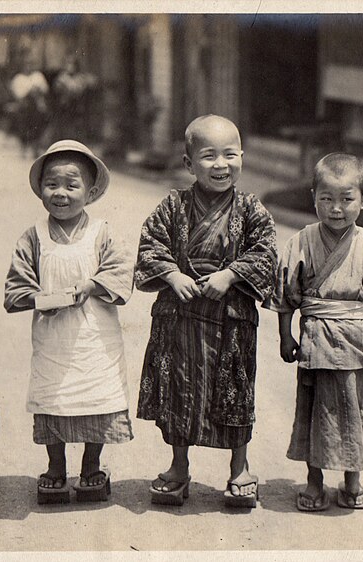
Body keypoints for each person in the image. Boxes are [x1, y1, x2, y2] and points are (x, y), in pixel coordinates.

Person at [265, 153, 363, 512]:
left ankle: (352, 480)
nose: (336, 209)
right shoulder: (302, 241)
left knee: (353, 410)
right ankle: (314, 480)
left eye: (346, 200)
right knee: (313, 410)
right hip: (315, 341)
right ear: (313, 197)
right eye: (326, 199)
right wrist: (285, 336)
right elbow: (286, 294)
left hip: (354, 343)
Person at [135, 115, 278, 508]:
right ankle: (178, 468)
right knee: (178, 392)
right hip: (179, 317)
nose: (221, 165)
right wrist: (171, 274)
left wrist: (231, 275)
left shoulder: (250, 209)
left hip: (230, 319)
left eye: (230, 155)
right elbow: (150, 245)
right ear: (188, 163)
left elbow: (265, 251)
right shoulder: (174, 205)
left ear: (242, 158)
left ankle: (239, 468)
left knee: (234, 391)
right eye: (209, 156)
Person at [4, 140, 134, 505]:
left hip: (96, 336)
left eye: (71, 185)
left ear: (90, 193)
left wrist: (92, 284)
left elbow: (122, 273)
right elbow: (16, 285)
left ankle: (92, 466)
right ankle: (56, 468)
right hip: (53, 336)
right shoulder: (33, 237)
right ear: (40, 189)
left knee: (98, 396)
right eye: (52, 184)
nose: (60, 193)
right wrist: (38, 299)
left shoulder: (103, 233)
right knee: (52, 398)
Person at [5, 54, 49, 157]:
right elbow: (17, 94)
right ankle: (23, 148)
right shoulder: (19, 78)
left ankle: (36, 148)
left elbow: (45, 90)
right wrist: (29, 91)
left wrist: (38, 90)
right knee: (24, 123)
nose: (28, 67)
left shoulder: (38, 76)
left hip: (37, 106)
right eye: (26, 64)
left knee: (39, 123)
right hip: (24, 106)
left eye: (30, 64)